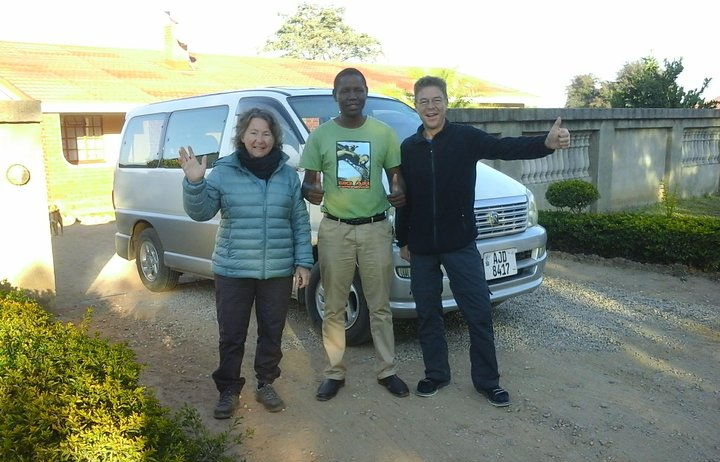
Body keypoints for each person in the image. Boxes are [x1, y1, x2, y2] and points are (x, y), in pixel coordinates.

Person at [396, 76, 571, 407]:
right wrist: (403, 238)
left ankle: (487, 382)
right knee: (428, 314)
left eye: (436, 100)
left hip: (460, 244)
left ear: (446, 103)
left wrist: (545, 143)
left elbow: (505, 147)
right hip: (421, 248)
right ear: (416, 104)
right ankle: (436, 374)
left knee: (477, 312)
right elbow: (408, 199)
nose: (430, 107)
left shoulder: (464, 138)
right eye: (423, 101)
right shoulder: (409, 148)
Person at [179, 108, 313, 418]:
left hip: (276, 270)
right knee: (231, 334)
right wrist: (195, 183)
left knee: (272, 331)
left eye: (266, 133)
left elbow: (299, 220)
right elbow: (201, 212)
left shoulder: (287, 174)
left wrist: (303, 262)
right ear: (242, 135)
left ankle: (266, 383)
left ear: (274, 138)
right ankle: (228, 389)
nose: (259, 139)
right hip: (233, 269)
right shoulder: (224, 171)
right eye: (253, 132)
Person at [300, 67, 409, 401]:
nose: (352, 96)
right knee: (333, 305)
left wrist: (400, 193)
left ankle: (387, 369)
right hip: (335, 229)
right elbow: (308, 181)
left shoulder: (384, 134)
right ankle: (334, 372)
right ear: (335, 96)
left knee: (379, 304)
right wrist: (309, 191)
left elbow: (396, 177)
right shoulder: (321, 136)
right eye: (345, 91)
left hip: (376, 227)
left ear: (366, 92)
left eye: (357, 90)